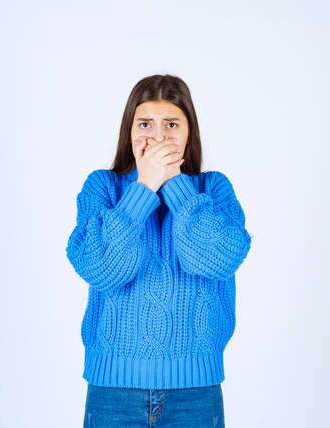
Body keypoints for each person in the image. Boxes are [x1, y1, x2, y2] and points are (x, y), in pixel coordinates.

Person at [66, 74, 252, 427]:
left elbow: (219, 259)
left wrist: (176, 186)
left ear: (188, 133)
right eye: (146, 124)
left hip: (195, 392)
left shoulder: (213, 189)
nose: (158, 136)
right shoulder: (102, 188)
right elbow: (100, 267)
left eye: (171, 124)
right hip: (113, 392)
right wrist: (144, 187)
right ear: (130, 130)